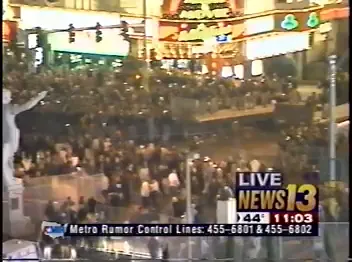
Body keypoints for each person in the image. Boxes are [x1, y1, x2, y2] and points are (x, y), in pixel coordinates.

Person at [3, 88, 47, 187]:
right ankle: (9, 181)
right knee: (8, 160)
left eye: (5, 96)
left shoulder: (8, 108)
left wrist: (38, 97)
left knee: (6, 160)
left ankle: (9, 183)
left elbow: (26, 106)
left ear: (8, 99)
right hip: (6, 138)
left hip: (8, 138)